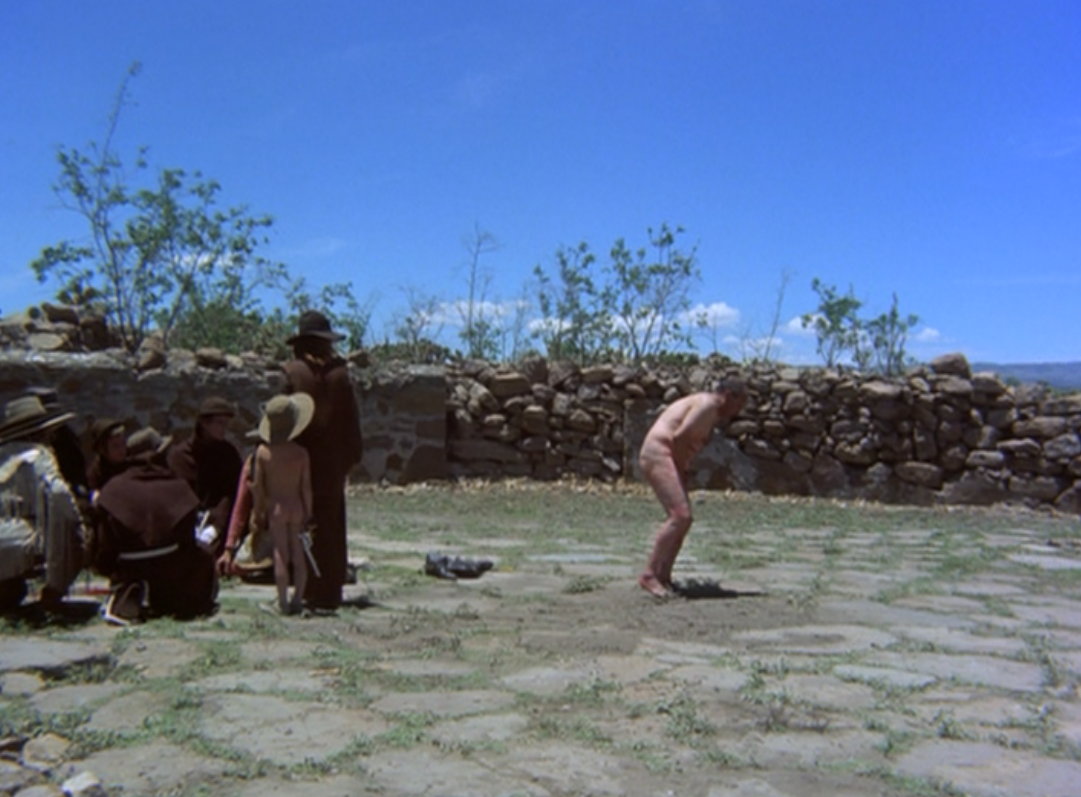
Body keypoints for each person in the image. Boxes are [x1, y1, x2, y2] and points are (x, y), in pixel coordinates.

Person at [90, 426, 217, 623]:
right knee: (203, 554)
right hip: (171, 569)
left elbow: (104, 547)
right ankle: (175, 597)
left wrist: (113, 571)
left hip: (130, 567)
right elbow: (187, 541)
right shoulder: (178, 487)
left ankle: (129, 592)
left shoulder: (113, 489)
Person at [281, 310, 362, 611]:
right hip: (333, 462)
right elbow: (351, 421)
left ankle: (308, 587)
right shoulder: (340, 375)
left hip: (301, 460)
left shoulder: (293, 373)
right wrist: (350, 456)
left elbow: (282, 420)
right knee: (331, 524)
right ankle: (330, 586)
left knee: (304, 523)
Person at [638, 378, 748, 598]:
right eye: (740, 403)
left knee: (683, 519)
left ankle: (663, 575)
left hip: (666, 455)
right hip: (659, 453)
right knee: (680, 516)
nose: (739, 411)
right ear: (729, 395)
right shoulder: (708, 405)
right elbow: (679, 438)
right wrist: (680, 468)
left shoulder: (709, 409)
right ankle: (650, 574)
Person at [0, 395, 86, 610]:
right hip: (22, 542)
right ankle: (54, 591)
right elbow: (58, 495)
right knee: (66, 525)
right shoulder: (39, 456)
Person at [252, 393, 315, 615]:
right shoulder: (301, 453)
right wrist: (309, 511)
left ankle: (282, 601)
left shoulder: (263, 453)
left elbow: (258, 487)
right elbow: (306, 487)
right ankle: (298, 598)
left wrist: (258, 512)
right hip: (296, 506)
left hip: (276, 508)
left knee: (280, 553)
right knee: (299, 553)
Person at [168, 396, 242, 556]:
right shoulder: (180, 456)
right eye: (219, 423)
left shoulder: (228, 454)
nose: (224, 428)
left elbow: (232, 492)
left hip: (218, 525)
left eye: (226, 424)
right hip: (187, 524)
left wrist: (216, 524)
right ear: (204, 423)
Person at [86, 417, 128, 492]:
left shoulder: (131, 460)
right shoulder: (97, 476)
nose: (122, 449)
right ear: (102, 450)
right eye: (115, 446)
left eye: (123, 443)